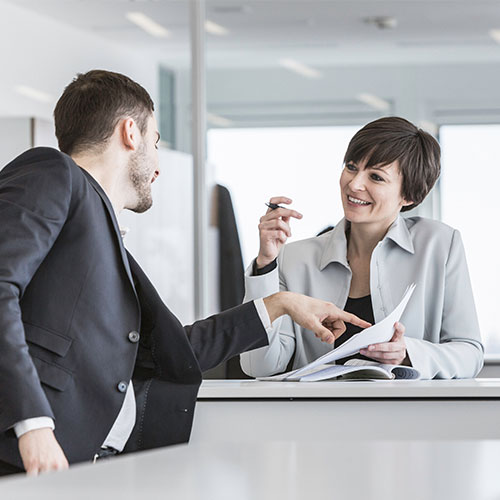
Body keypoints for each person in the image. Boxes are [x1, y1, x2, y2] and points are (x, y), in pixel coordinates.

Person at [0, 70, 370, 477]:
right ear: (130, 132)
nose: (157, 162)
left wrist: (280, 304)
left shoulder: (102, 240)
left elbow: (174, 351)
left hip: (87, 464)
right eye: (156, 141)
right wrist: (32, 424)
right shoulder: (53, 172)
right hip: (30, 456)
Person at [241, 116, 483, 380]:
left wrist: (407, 352)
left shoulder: (439, 245)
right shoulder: (293, 259)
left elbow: (469, 353)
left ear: (409, 195)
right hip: (316, 416)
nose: (354, 184)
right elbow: (258, 367)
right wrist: (265, 265)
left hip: (411, 416)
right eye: (351, 167)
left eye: (376, 177)